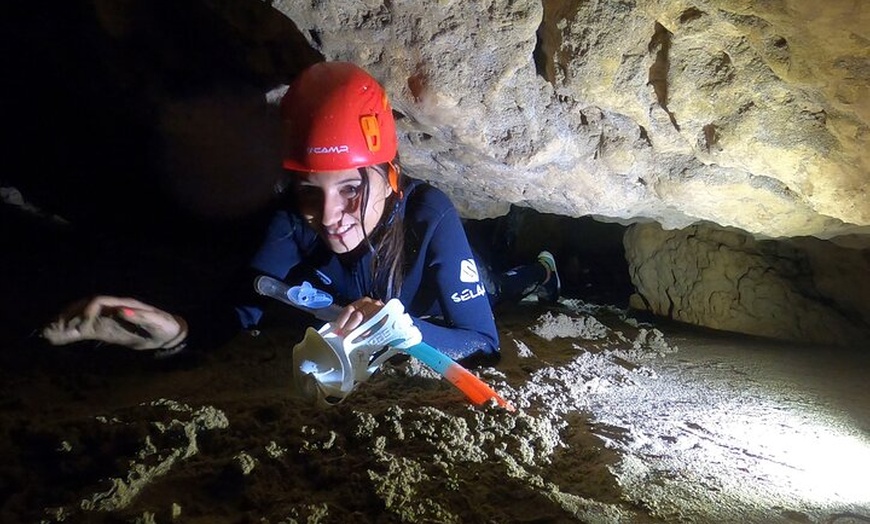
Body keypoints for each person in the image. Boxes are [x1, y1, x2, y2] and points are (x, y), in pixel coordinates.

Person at [41, 61, 560, 364]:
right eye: (310, 190)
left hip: (450, 291)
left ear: (390, 175)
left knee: (499, 284)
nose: (328, 215)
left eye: (351, 190)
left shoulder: (429, 214)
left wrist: (407, 331)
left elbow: (482, 342)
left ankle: (543, 269)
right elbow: (240, 309)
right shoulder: (293, 220)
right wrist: (174, 332)